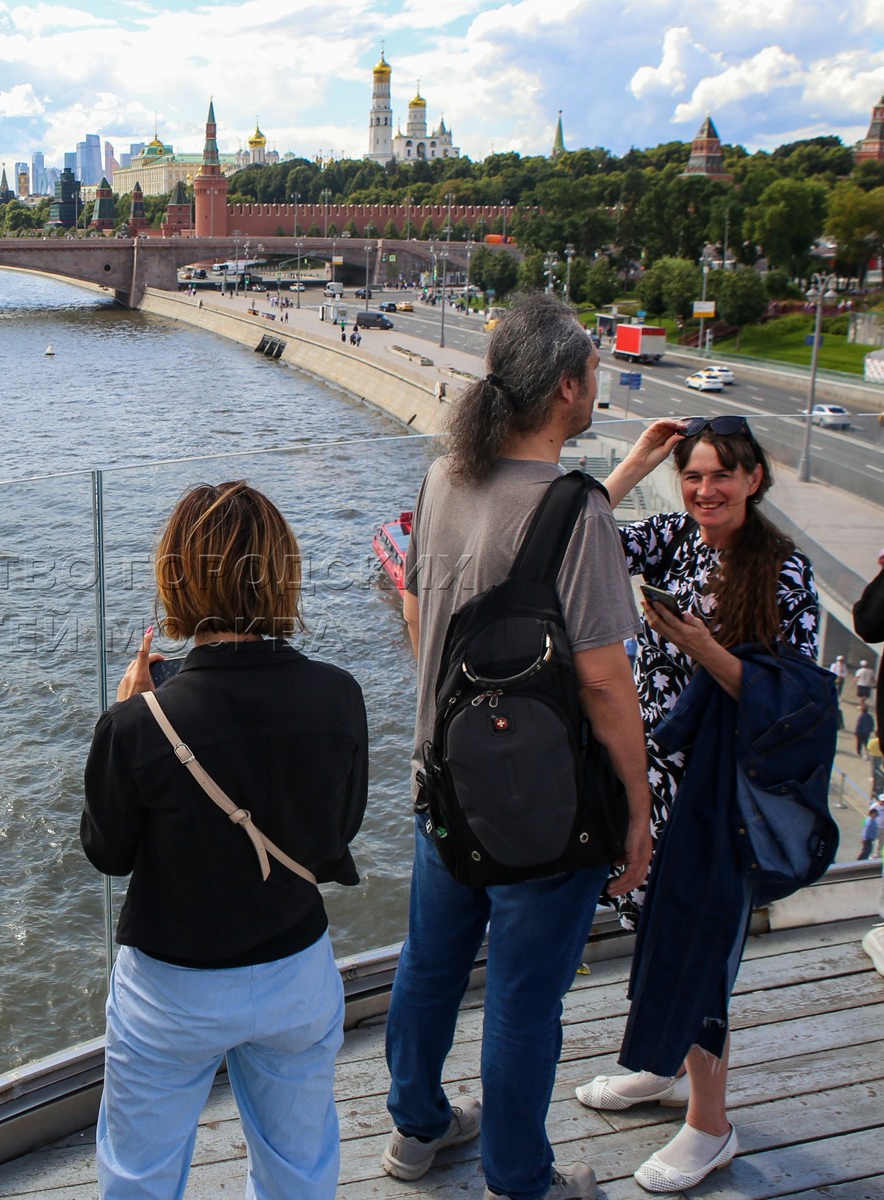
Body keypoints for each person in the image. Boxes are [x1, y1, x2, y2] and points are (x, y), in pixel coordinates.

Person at [382, 294, 652, 1200]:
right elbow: (608, 684)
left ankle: (415, 1130)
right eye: (592, 371)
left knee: (429, 966)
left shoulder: (442, 480)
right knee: (523, 1002)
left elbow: (421, 607)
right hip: (543, 808)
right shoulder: (580, 513)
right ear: (569, 388)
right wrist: (639, 811)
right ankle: (518, 1177)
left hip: (442, 783)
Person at [81, 482, 367, 1199]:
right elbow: (338, 834)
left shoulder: (140, 723)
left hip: (172, 988)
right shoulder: (339, 694)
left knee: (139, 1177)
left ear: (176, 573)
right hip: (295, 968)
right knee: (298, 1169)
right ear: (281, 570)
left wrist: (124, 714)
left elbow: (108, 852)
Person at [578, 415, 825, 1192]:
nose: (705, 490)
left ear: (755, 478)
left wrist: (703, 648)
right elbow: (576, 546)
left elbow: (793, 703)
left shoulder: (784, 573)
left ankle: (711, 1125)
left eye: (722, 475)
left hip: (716, 798)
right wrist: (637, 461)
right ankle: (660, 1064)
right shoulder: (673, 538)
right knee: (654, 930)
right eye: (692, 475)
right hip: (651, 781)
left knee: (701, 949)